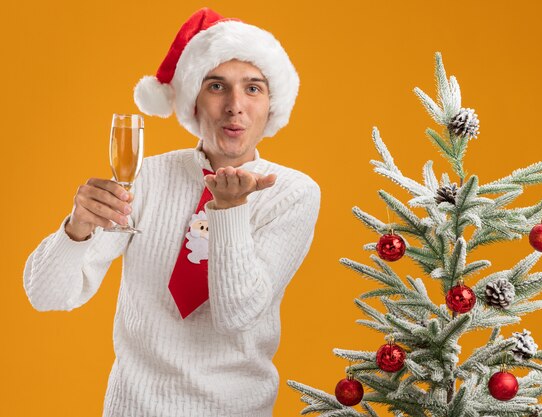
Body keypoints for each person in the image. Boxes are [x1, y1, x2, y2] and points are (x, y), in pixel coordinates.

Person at [23, 7, 320, 417]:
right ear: (194, 100)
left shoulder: (293, 193)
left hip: (235, 410)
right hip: (132, 408)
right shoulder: (146, 176)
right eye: (217, 86)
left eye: (253, 88)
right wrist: (77, 229)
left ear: (272, 105)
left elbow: (238, 316)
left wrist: (228, 212)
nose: (236, 105)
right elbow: (45, 295)